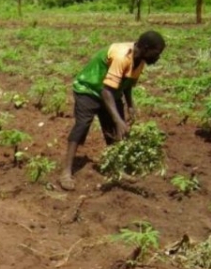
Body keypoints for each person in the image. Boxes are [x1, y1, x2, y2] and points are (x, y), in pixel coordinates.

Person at [59, 31, 166, 191]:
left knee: (117, 132)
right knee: (82, 125)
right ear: (145, 47)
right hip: (89, 88)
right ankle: (66, 172)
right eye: (156, 53)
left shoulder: (140, 60)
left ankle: (118, 169)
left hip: (110, 91)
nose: (157, 58)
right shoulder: (122, 56)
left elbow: (127, 83)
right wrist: (117, 119)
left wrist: (130, 106)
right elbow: (105, 92)